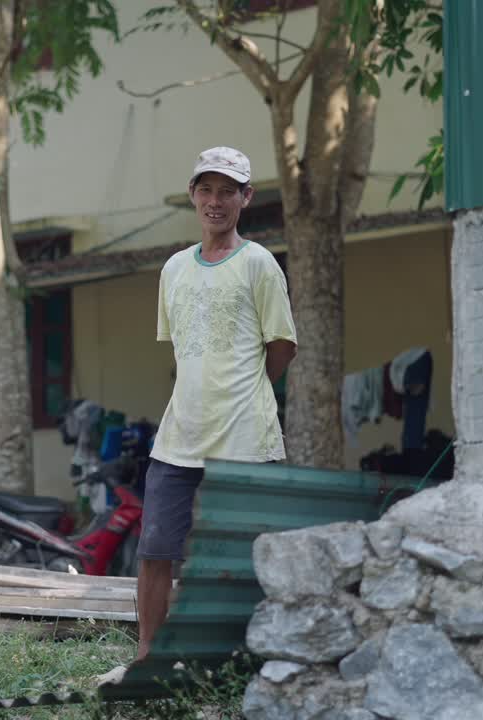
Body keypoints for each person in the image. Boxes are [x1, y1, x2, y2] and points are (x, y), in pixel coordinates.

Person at [134, 146, 298, 662]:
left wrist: (251, 393)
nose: (215, 201)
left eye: (227, 191)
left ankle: (253, 659)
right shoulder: (174, 270)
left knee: (251, 557)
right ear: (192, 196)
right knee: (156, 550)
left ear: (245, 198)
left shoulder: (259, 264)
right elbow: (184, 352)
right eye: (206, 190)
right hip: (180, 435)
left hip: (246, 437)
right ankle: (148, 659)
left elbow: (282, 346)